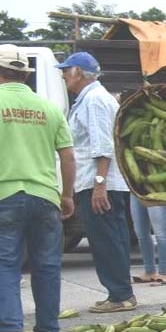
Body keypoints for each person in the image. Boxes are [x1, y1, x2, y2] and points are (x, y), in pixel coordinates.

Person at [0, 45, 76, 332]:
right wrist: (66, 194)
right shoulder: (48, 108)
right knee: (47, 266)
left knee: (2, 264)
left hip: (5, 196)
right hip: (45, 196)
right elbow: (67, 156)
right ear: (25, 75)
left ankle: (10, 328)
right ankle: (48, 329)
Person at [56, 52, 136, 313]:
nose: (64, 76)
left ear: (78, 72)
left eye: (66, 71)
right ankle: (119, 292)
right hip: (98, 182)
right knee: (110, 238)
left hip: (100, 183)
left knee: (107, 240)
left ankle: (120, 295)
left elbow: (103, 145)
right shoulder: (92, 99)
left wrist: (99, 183)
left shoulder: (95, 101)